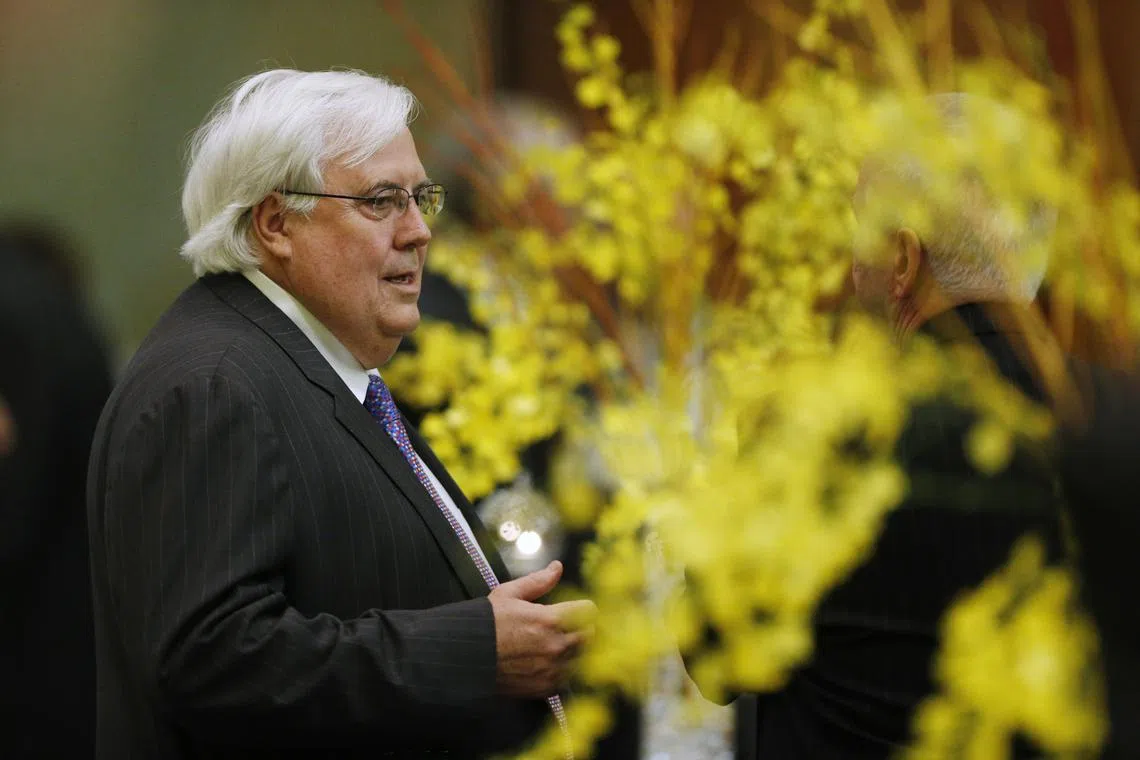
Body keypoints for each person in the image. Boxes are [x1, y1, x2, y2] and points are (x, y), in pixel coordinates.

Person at [86, 69, 594, 759]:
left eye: (422, 199)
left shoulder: (306, 364)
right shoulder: (215, 386)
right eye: (382, 201)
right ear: (275, 224)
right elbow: (209, 662)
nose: (419, 232)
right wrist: (471, 651)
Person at [708, 94, 1066, 759]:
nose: (851, 265)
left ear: (904, 260)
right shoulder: (1111, 427)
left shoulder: (818, 432)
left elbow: (714, 660)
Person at [0, 222, 112, 756]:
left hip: (34, 647)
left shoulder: (14, 318)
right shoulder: (36, 296)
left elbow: (14, 512)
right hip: (79, 628)